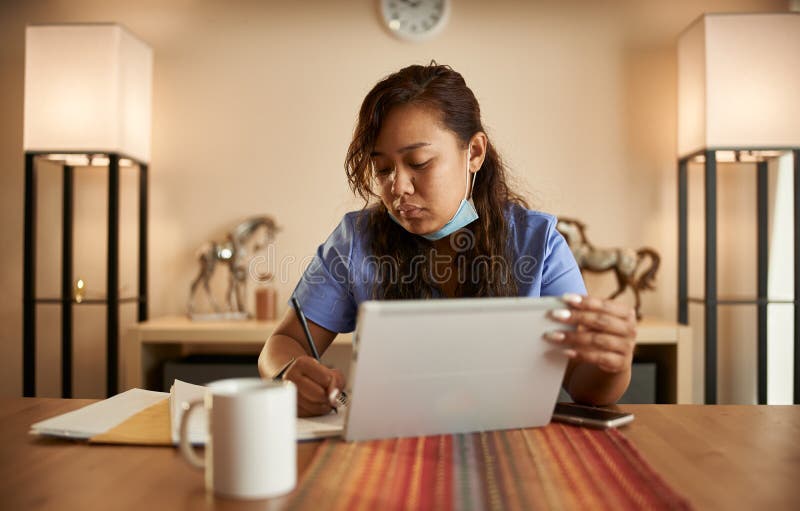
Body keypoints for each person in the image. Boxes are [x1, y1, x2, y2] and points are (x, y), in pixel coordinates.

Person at [258, 62, 636, 417]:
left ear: (474, 153)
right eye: (383, 168)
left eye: (419, 163)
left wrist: (612, 363)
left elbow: (588, 389)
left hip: (514, 452)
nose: (398, 187)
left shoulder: (537, 244)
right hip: (391, 452)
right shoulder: (356, 240)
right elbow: (281, 345)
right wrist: (290, 370)